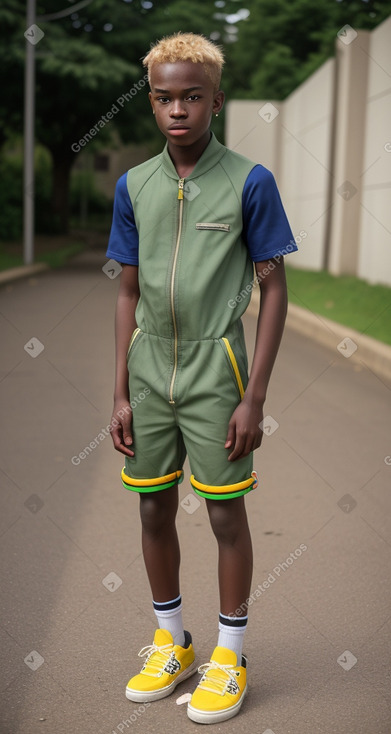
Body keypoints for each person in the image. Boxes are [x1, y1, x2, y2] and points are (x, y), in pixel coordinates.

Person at [106, 31, 297, 724]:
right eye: (163, 98)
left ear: (215, 100)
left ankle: (230, 653)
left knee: (223, 511)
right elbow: (126, 292)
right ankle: (170, 641)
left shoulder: (249, 181)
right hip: (149, 369)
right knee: (152, 505)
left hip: (219, 375)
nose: (176, 109)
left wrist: (254, 396)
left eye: (191, 96)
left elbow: (273, 289)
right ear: (150, 103)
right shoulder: (134, 186)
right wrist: (122, 390)